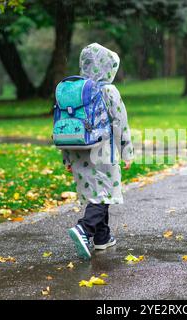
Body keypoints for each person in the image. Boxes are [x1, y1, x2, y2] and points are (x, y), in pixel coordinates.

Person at [64, 43, 134, 260]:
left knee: (96, 191)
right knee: (103, 192)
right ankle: (84, 229)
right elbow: (120, 122)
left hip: (77, 149)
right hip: (103, 150)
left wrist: (66, 157)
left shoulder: (74, 90)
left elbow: (65, 124)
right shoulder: (108, 90)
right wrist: (127, 151)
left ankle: (102, 237)